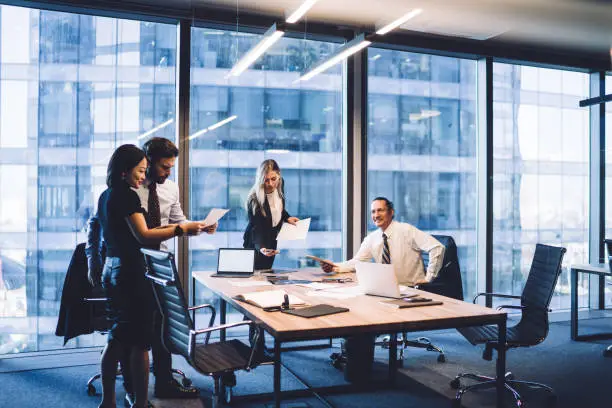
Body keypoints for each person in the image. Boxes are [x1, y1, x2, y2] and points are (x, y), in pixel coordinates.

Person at [87, 137, 214, 405]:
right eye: (145, 170)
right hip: (133, 272)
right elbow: (144, 235)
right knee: (140, 341)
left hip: (126, 268)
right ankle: (138, 399)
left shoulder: (107, 194)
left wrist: (197, 226)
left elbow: (176, 221)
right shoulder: (128, 195)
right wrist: (181, 230)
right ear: (129, 169)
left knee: (123, 337)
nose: (163, 173)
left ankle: (114, 399)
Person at [318, 197, 445, 286]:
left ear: (391, 212)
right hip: (387, 290)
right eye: (373, 211)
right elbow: (357, 262)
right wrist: (334, 266)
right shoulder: (372, 238)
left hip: (412, 290)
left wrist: (429, 279)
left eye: (380, 210)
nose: (376, 215)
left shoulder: (406, 230)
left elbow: (437, 247)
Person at [243, 159, 299, 270]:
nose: (270, 184)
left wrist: (287, 217)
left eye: (273, 179)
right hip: (256, 245)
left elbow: (277, 207)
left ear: (279, 175)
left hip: (272, 240)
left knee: (267, 274)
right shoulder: (254, 200)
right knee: (255, 279)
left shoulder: (280, 183)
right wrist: (262, 247)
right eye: (266, 180)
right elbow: (256, 228)